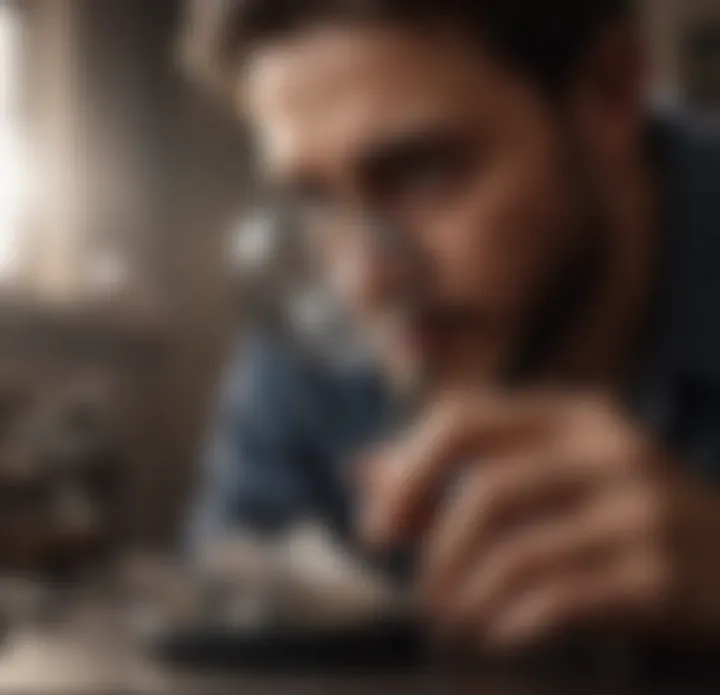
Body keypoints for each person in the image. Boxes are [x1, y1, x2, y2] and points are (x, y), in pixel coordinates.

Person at [186, 0, 720, 651]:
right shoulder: (316, 326)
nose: (364, 282)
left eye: (424, 172)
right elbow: (224, 627)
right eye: (315, 199)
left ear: (610, 92)